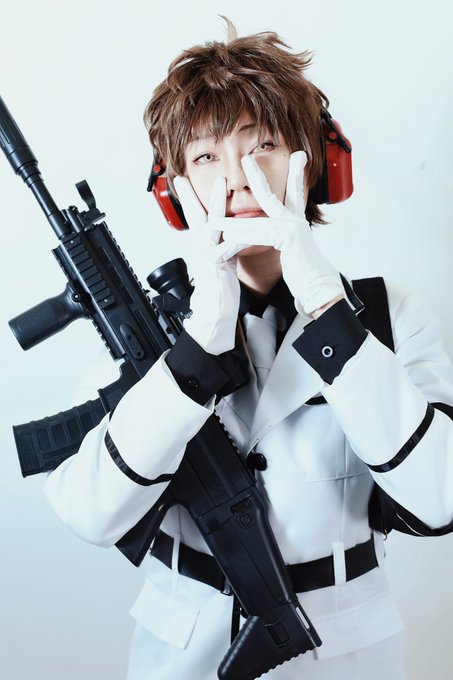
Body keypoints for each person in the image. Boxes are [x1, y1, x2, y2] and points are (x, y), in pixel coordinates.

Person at [43, 17, 453, 680]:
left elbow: (441, 499)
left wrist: (329, 312)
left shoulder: (390, 314)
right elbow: (88, 513)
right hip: (184, 652)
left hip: (347, 654)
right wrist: (192, 355)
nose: (236, 176)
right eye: (206, 157)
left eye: (261, 144)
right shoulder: (145, 334)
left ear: (314, 162)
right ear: (173, 188)